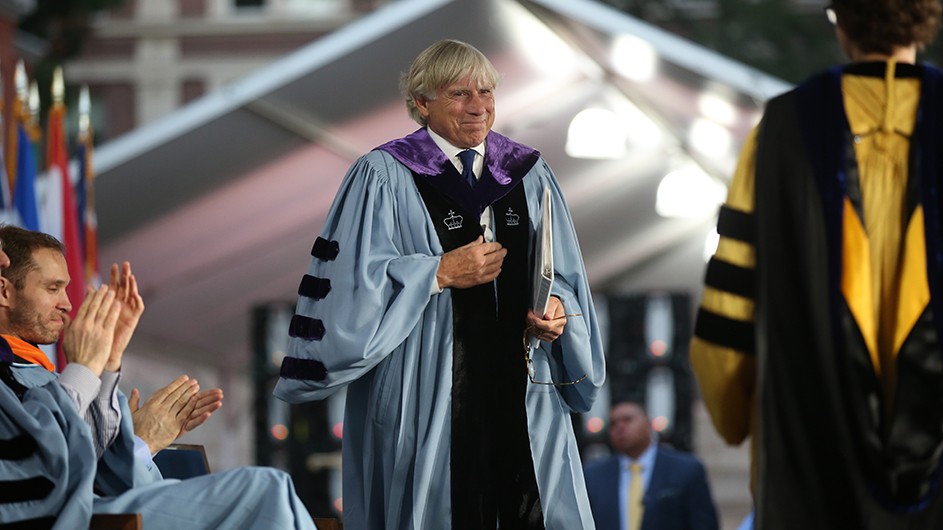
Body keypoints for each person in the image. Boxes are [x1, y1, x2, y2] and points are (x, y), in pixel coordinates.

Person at [274, 39, 605, 529]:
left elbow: (568, 275)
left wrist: (557, 306)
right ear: (421, 103)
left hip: (524, 394)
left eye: (486, 91)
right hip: (425, 388)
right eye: (459, 94)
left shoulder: (528, 174)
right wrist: (438, 272)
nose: (478, 106)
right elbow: (349, 286)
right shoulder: (383, 175)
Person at [689, 1, 943, 528]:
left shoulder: (783, 129)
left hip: (812, 466)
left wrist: (737, 414)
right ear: (928, 20)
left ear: (841, 21)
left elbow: (728, 322)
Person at [0, 225, 319, 529]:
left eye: (66, 289)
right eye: (52, 288)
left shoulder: (40, 374)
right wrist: (84, 370)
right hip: (77, 519)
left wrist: (109, 366)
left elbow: (106, 475)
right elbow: (38, 472)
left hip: (96, 513)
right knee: (266, 488)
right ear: (5, 291)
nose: (68, 304)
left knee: (273, 492)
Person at [582, 401, 718, 530]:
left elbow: (704, 524)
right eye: (613, 423)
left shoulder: (686, 470)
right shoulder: (592, 475)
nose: (620, 427)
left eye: (627, 419)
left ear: (648, 423)